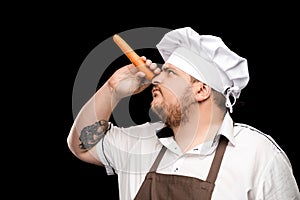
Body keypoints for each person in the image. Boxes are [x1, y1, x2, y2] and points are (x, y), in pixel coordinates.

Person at [67, 27, 300, 200]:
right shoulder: (137, 143)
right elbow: (80, 144)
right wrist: (112, 88)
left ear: (201, 90)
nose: (155, 78)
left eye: (169, 73)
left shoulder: (258, 154)